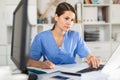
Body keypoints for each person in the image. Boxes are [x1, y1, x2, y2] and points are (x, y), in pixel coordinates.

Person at [27, 2, 100, 69]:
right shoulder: (41, 38)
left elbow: (89, 55)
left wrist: (92, 58)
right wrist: (41, 64)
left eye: (72, 20)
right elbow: (29, 61)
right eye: (66, 18)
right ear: (56, 17)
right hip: (50, 76)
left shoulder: (75, 36)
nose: (69, 23)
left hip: (72, 75)